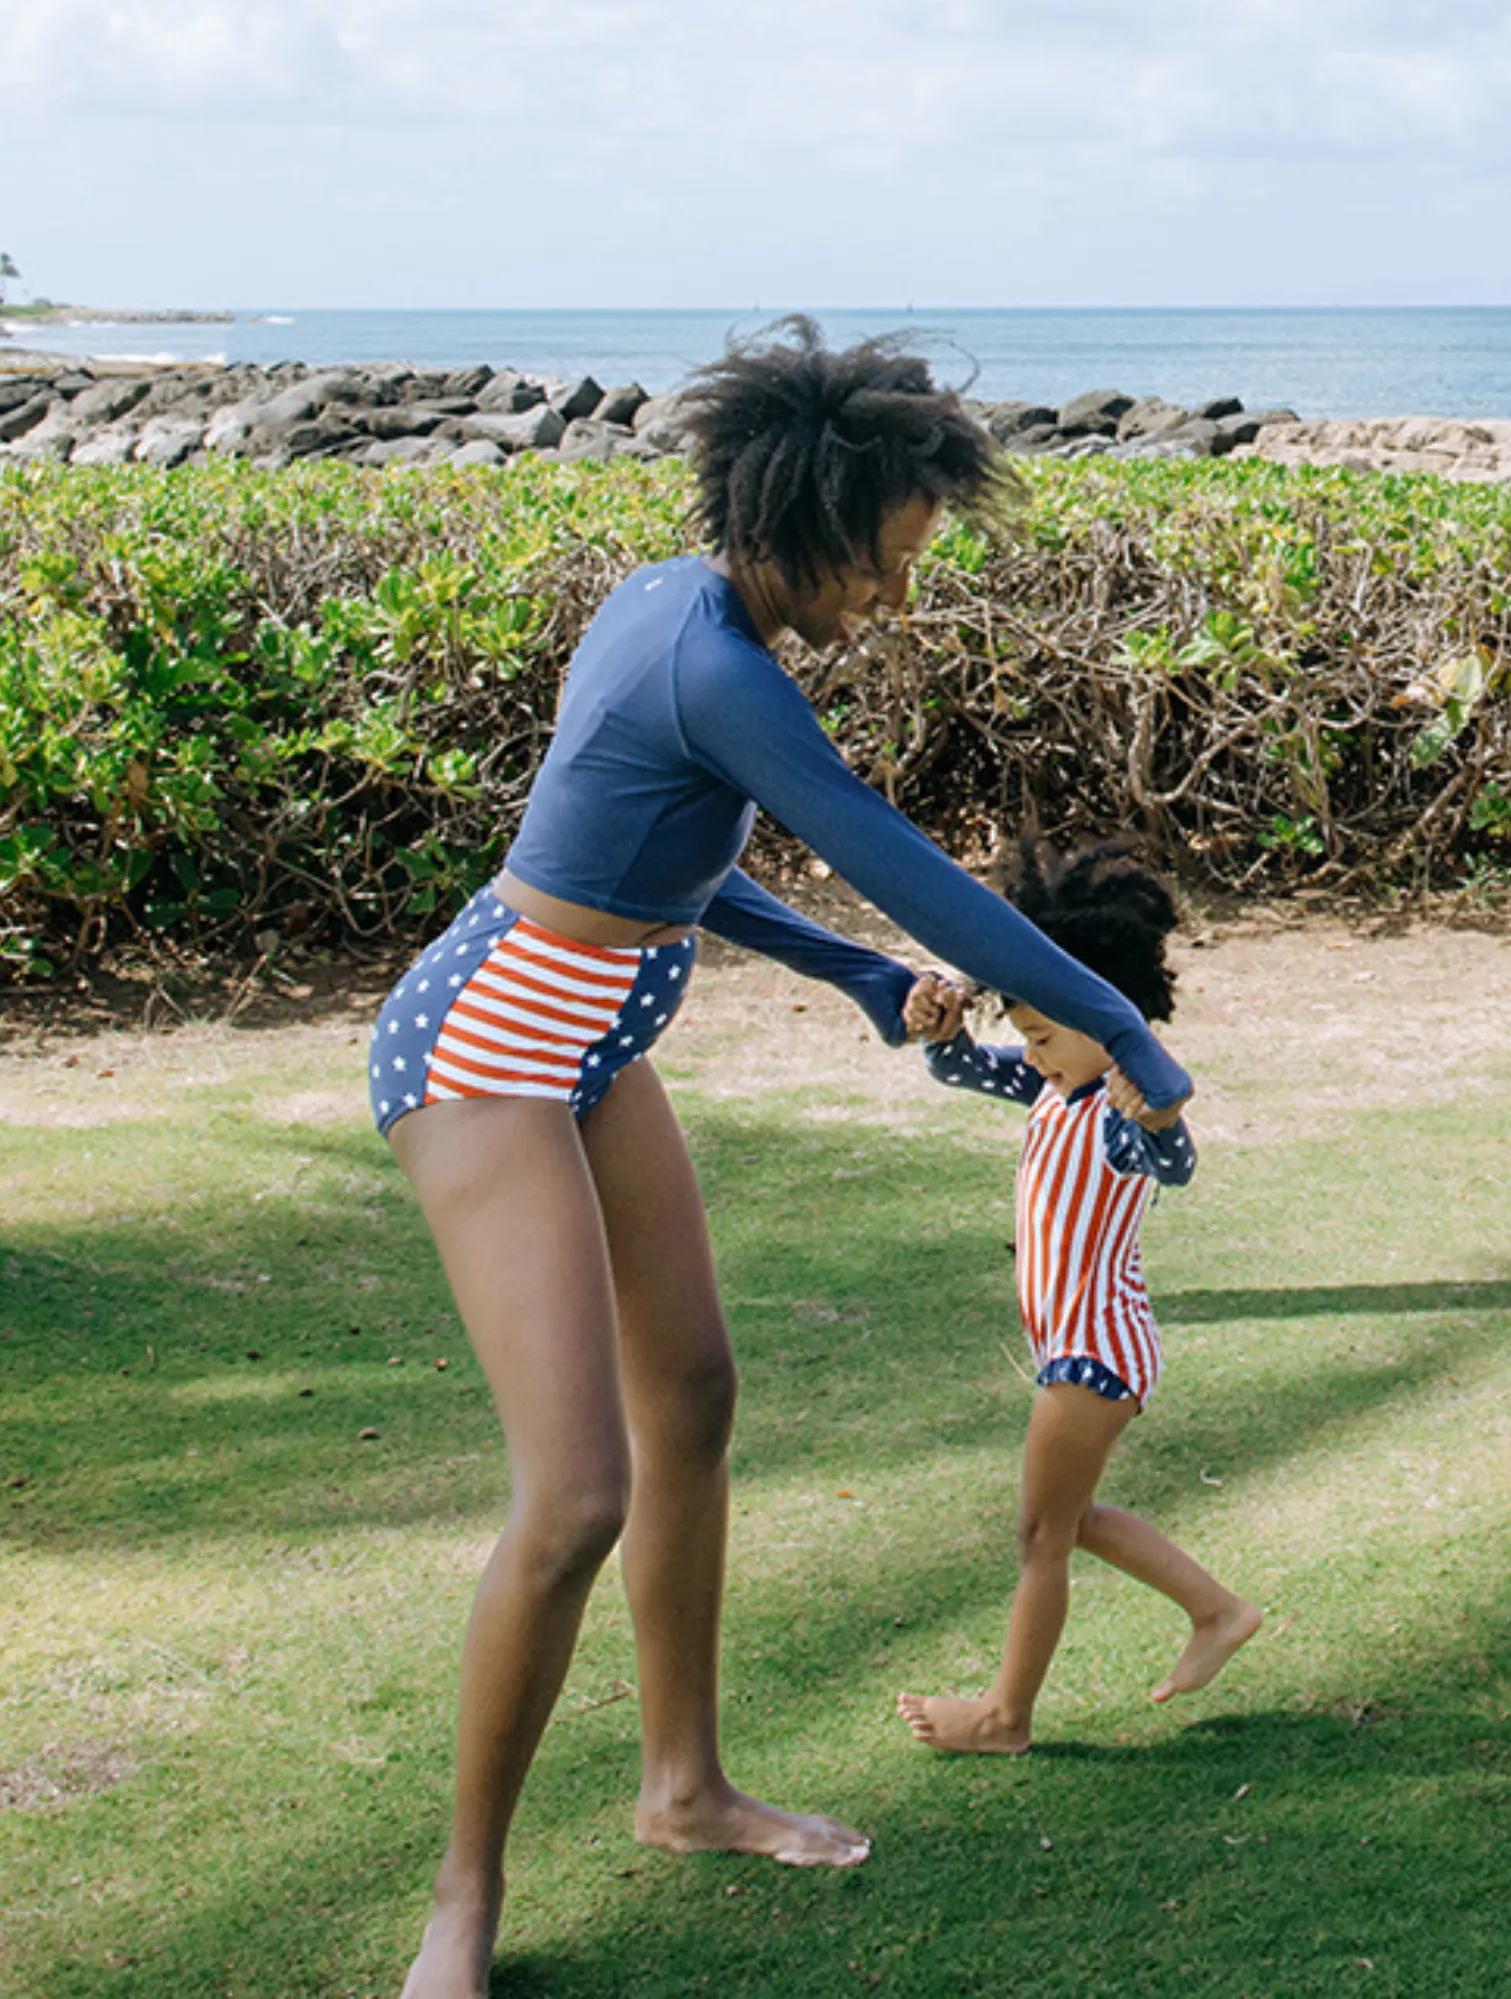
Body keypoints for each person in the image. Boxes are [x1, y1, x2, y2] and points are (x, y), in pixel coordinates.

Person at [366, 320, 1195, 1999]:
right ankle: (462, 1897)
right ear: (809, 519)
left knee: (697, 1403)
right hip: (485, 1058)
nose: (893, 601)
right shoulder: (719, 666)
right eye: (886, 565)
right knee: (579, 1488)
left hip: (596, 1047)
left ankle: (684, 1790)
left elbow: (687, 867)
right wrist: (1135, 1036)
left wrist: (859, 981)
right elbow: (909, 870)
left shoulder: (681, 611)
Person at [894, 837, 1262, 1755]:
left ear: (1112, 1018)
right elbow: (959, 1067)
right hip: (1083, 1347)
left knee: (1039, 1537)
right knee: (1070, 1519)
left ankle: (1004, 1717)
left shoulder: (1120, 1110)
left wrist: (1163, 1113)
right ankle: (1216, 1612)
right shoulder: (1054, 1087)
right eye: (1026, 1034)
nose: (1033, 1052)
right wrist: (941, 1029)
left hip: (1093, 1353)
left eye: (1047, 1034)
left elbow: (1171, 1166)